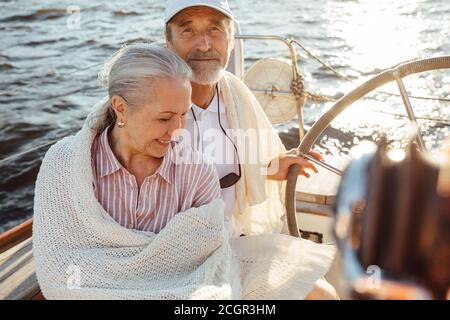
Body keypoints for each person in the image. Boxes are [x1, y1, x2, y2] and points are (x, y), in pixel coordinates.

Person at [164, 0, 338, 299]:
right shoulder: (151, 102)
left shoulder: (235, 94)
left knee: (323, 295)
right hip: (170, 257)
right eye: (188, 30)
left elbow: (238, 167)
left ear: (230, 40)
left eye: (215, 30)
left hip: (232, 245)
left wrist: (273, 167)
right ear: (168, 42)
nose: (204, 44)